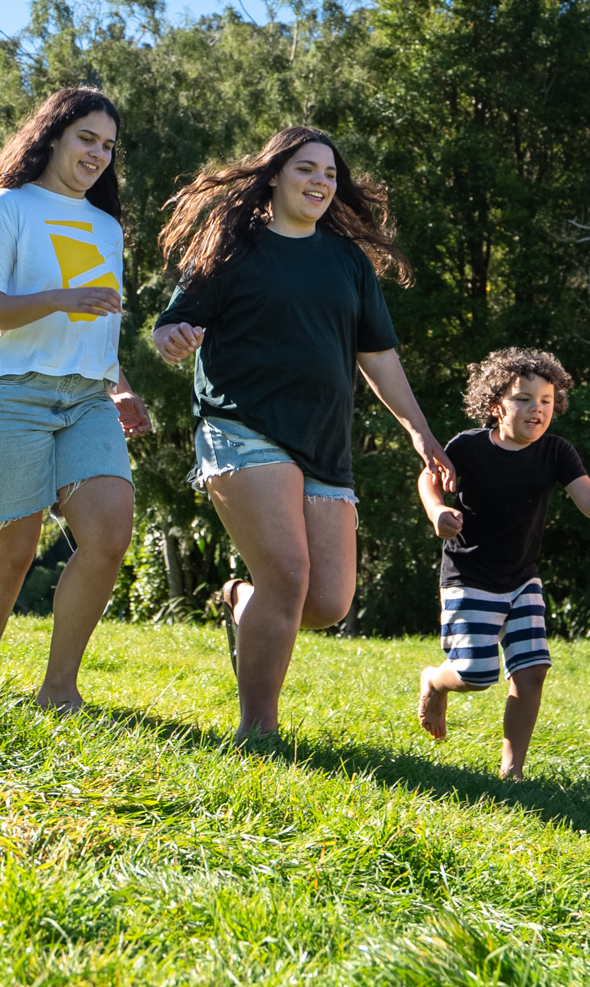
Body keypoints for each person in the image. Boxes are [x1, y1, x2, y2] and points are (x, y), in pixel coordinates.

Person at [151, 126, 454, 741]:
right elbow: (170, 327)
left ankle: (240, 601)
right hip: (240, 425)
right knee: (287, 575)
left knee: (325, 604)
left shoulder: (346, 260)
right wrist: (172, 338)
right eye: (306, 169)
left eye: (330, 174)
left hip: (323, 442)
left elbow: (379, 356)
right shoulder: (232, 247)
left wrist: (420, 433)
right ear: (275, 176)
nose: (320, 182)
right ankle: (258, 732)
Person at [0, 86, 151, 706]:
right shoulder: (4, 208)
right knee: (12, 550)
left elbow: (99, 322)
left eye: (108, 146)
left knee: (110, 534)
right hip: (7, 392)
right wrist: (63, 297)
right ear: (53, 135)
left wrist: (120, 386)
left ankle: (59, 689)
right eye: (87, 138)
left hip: (87, 399)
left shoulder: (106, 226)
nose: (97, 154)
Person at [413, 348, 590, 780]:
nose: (536, 409)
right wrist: (437, 512)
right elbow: (429, 477)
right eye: (523, 399)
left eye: (545, 401)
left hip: (523, 578)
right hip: (470, 576)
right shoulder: (468, 447)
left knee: (532, 669)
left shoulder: (556, 452)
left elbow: (588, 496)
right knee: (475, 673)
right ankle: (433, 679)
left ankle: (513, 772)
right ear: (495, 405)